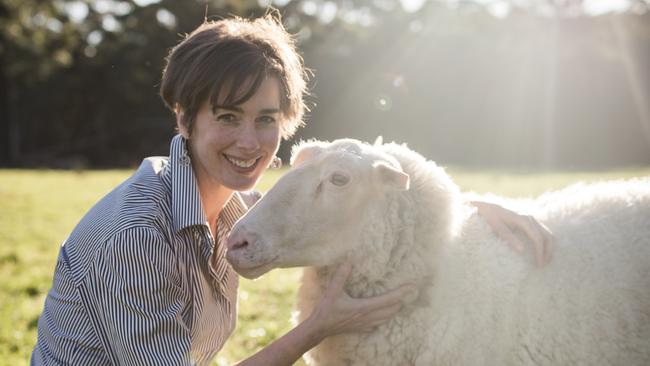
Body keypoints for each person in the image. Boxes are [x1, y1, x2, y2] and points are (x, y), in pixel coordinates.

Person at [31, 13, 553, 366]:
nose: (249, 141)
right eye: (228, 116)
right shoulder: (138, 235)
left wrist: (469, 207)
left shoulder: (225, 202)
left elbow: (329, 210)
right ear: (184, 117)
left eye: (266, 119)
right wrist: (318, 327)